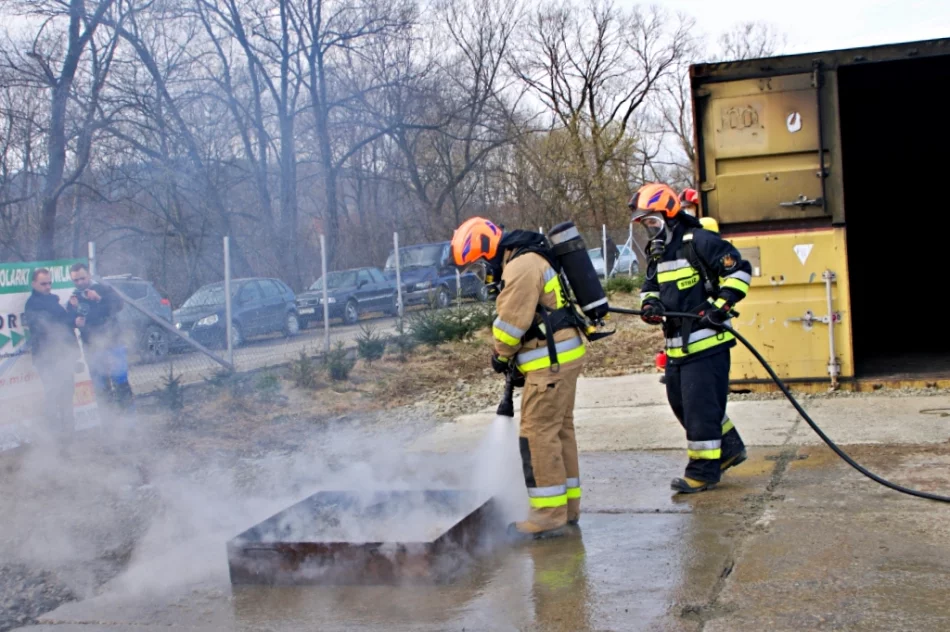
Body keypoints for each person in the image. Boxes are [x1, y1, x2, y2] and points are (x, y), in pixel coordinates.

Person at [450, 217, 586, 539]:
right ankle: (567, 510)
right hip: (561, 359)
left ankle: (547, 518)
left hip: (550, 365)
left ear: (486, 252)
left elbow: (512, 324)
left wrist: (501, 354)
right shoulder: (526, 258)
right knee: (558, 432)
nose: (481, 272)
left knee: (537, 435)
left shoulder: (521, 266)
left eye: (477, 265)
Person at [629, 183, 751, 494]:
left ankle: (702, 472)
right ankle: (730, 448)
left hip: (707, 344)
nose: (651, 230)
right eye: (645, 225)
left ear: (670, 217)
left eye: (654, 222)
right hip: (676, 348)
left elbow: (740, 273)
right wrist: (650, 305)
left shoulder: (701, 241)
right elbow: (651, 287)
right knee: (681, 403)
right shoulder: (658, 254)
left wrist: (719, 308)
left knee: (700, 409)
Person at [66, 263, 134, 411]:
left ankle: (129, 422)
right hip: (92, 346)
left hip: (113, 342)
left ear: (89, 275)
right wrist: (74, 321)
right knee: (101, 388)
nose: (79, 283)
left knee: (121, 383)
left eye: (82, 278)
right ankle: (108, 423)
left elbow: (118, 305)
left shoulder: (104, 289)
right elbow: (68, 319)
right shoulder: (74, 297)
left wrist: (99, 299)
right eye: (75, 280)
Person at [24, 268, 84, 434]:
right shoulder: (33, 305)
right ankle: (55, 437)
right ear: (34, 284)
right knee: (54, 397)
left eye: (50, 283)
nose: (48, 286)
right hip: (48, 359)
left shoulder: (52, 301)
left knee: (66, 396)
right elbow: (52, 326)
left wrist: (72, 311)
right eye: (43, 283)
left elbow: (63, 324)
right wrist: (72, 317)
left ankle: (68, 434)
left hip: (63, 356)